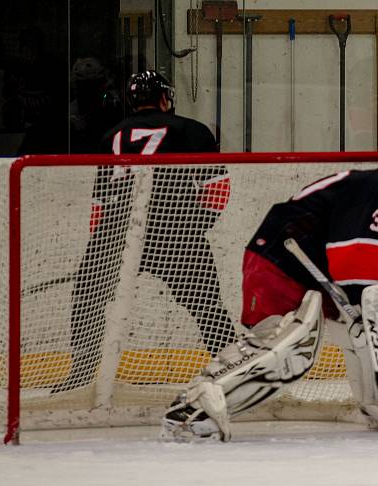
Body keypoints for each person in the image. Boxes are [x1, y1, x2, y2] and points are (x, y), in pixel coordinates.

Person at [162, 134, 378, 441]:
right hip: (284, 265)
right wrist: (372, 314)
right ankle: (195, 407)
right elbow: (352, 260)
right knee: (292, 347)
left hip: (300, 270)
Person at [54, 70, 233, 393]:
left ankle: (80, 375)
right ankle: (234, 368)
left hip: (117, 233)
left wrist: (103, 247)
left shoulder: (111, 136)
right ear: (165, 98)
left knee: (87, 298)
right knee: (207, 304)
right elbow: (217, 188)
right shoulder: (192, 131)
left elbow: (100, 204)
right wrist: (195, 228)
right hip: (176, 233)